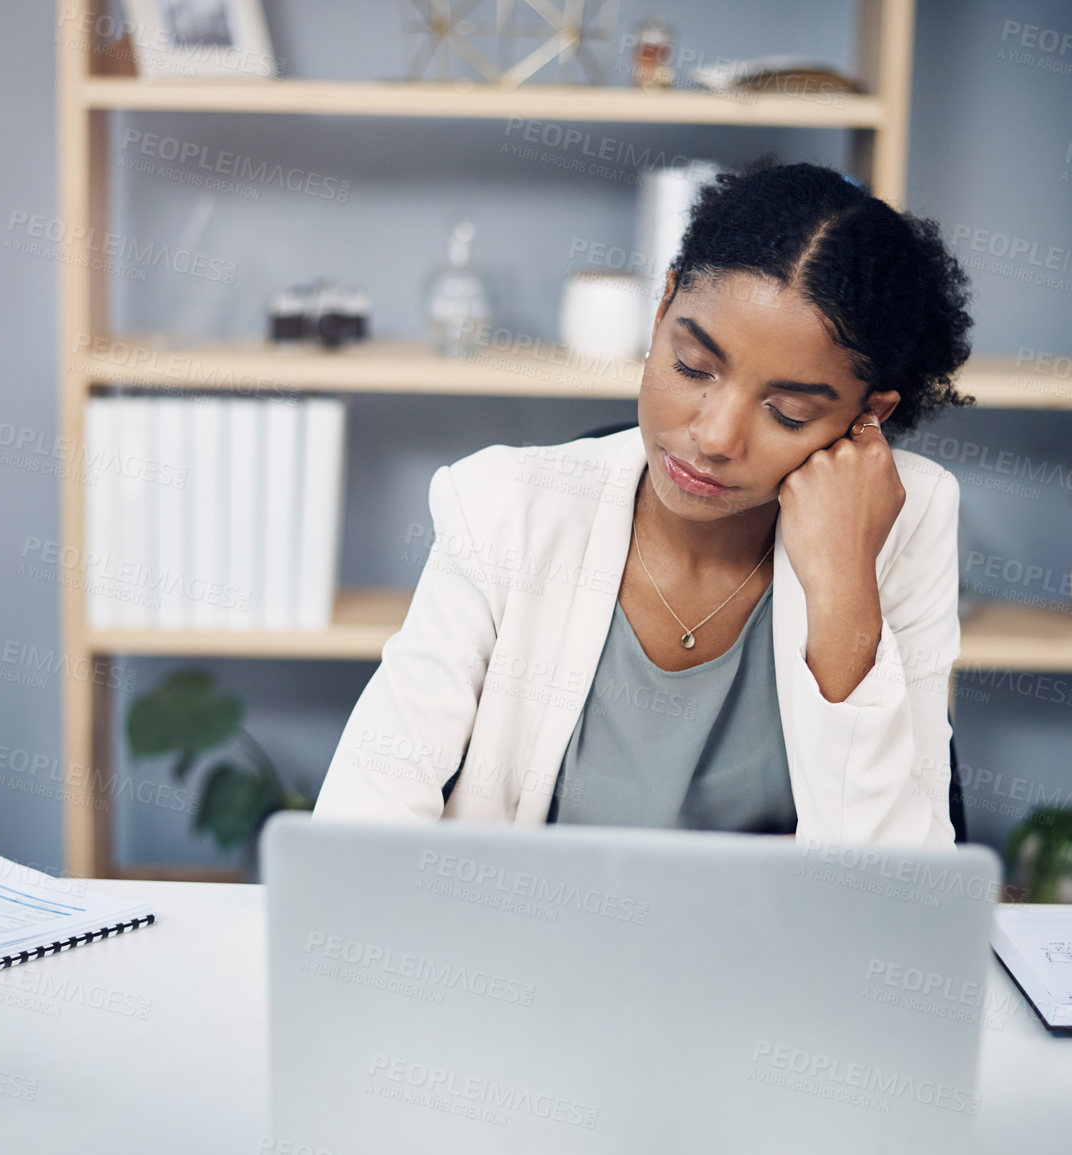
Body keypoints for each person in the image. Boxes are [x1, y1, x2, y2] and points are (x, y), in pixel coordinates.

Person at [313, 156, 974, 847]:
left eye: (784, 412)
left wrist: (843, 589)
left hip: (766, 954)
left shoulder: (905, 522)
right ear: (660, 312)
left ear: (867, 418)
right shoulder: (503, 506)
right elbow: (360, 827)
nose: (714, 436)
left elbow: (898, 894)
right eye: (692, 367)